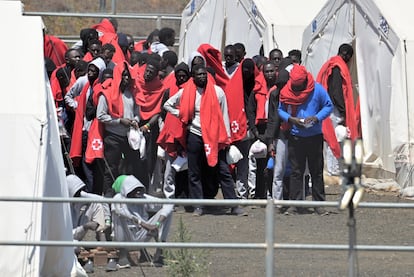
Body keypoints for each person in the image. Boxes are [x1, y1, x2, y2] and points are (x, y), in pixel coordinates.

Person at [163, 64, 246, 216]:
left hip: (214, 136)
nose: (202, 77)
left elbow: (224, 115)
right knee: (194, 172)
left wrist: (227, 139)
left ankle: (234, 205)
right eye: (199, 74)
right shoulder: (188, 92)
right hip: (195, 135)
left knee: (223, 170)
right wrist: (182, 115)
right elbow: (167, 105)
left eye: (204, 74)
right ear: (193, 78)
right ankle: (198, 206)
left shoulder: (217, 92)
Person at [278, 64, 333, 215]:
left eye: (299, 86)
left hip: (314, 136)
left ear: (305, 81)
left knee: (316, 172)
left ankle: (319, 204)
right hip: (296, 136)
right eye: (294, 86)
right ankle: (295, 205)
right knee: (296, 172)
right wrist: (291, 119)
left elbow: (328, 106)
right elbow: (280, 109)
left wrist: (316, 118)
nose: (296, 89)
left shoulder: (317, 89)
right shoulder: (286, 91)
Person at [96, 61, 147, 197]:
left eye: (128, 76)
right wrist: (119, 121)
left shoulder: (132, 93)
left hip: (129, 136)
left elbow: (137, 111)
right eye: (123, 75)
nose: (126, 78)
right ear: (118, 76)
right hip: (113, 136)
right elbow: (100, 115)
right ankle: (108, 194)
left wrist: (135, 120)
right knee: (111, 167)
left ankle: (131, 193)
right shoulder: (106, 93)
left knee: (132, 165)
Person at [110, 175, 173, 269]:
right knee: (119, 217)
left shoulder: (143, 197)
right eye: (135, 189)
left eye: (140, 189)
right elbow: (121, 212)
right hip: (125, 237)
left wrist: (157, 224)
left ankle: (159, 254)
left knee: (168, 212)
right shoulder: (118, 198)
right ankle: (122, 256)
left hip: (142, 235)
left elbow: (168, 204)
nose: (138, 192)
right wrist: (143, 224)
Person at [317, 43, 358, 176]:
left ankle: (333, 167)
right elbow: (336, 91)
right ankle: (333, 169)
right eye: (350, 57)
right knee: (334, 138)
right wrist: (343, 110)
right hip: (334, 108)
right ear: (346, 54)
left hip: (330, 107)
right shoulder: (337, 68)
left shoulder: (331, 64)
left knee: (333, 137)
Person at [69, 57, 107, 193]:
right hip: (85, 130)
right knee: (85, 166)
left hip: (95, 133)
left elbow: (94, 112)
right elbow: (70, 97)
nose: (90, 74)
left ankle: (92, 194)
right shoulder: (86, 86)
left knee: (91, 166)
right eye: (89, 70)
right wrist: (77, 106)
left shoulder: (98, 89)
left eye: (94, 72)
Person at [66, 174, 111, 273]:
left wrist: (107, 221)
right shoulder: (62, 205)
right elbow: (66, 234)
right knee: (72, 245)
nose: (79, 194)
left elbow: (102, 200)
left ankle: (102, 236)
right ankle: (82, 259)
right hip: (68, 237)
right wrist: (85, 226)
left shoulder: (81, 195)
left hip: (78, 230)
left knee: (96, 204)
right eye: (76, 192)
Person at [135, 59, 167, 192]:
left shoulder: (160, 88)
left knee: (149, 160)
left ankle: (146, 188)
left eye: (151, 72)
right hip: (135, 123)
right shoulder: (137, 83)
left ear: (156, 75)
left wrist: (147, 126)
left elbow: (158, 111)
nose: (147, 74)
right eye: (147, 71)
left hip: (150, 127)